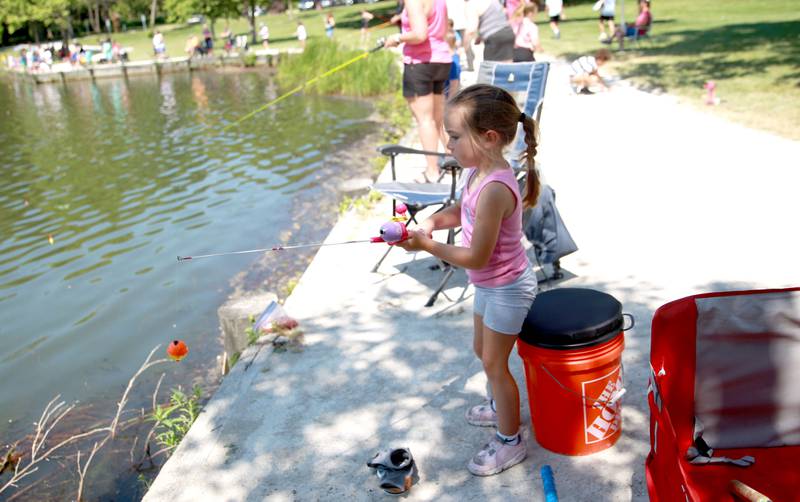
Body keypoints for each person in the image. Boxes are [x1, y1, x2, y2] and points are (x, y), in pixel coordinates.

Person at [397, 83, 540, 476]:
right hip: (490, 286)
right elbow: (461, 210)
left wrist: (427, 246)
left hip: (509, 288)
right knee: (483, 351)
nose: (448, 145)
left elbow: (476, 255)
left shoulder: (496, 187)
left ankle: (511, 441)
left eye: (455, 137)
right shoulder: (478, 172)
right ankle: (500, 410)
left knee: (496, 364)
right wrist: (428, 222)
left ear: (489, 138)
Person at [384, 0, 452, 184]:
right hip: (441, 60)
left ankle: (432, 171)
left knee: (425, 120)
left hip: (420, 63)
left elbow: (420, 34)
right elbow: (443, 30)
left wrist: (397, 38)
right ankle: (453, 160)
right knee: (438, 117)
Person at [445, 23, 461, 97]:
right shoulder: (451, 59)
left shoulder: (452, 62)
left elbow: (454, 85)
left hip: (448, 99)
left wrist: (449, 104)